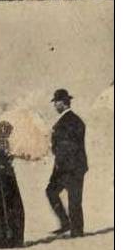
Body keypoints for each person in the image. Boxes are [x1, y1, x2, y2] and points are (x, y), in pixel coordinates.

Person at [46, 89, 87, 237]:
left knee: (74, 199)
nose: (55, 106)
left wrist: (55, 147)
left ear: (63, 103)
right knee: (51, 191)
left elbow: (69, 145)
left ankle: (77, 231)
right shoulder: (70, 120)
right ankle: (66, 223)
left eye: (56, 103)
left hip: (71, 167)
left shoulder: (72, 120)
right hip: (65, 166)